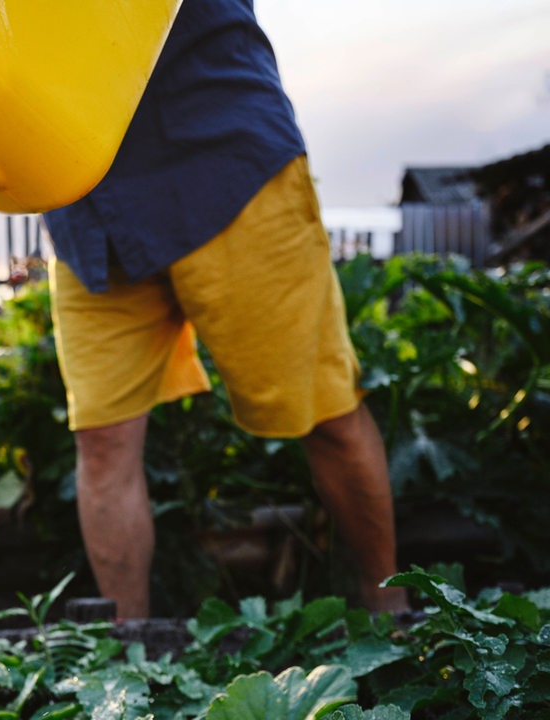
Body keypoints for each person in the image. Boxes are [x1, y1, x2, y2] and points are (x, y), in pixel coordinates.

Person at [41, 0, 409, 619]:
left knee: (325, 414)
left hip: (220, 153)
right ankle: (125, 666)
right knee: (102, 440)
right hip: (85, 190)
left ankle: (393, 616)